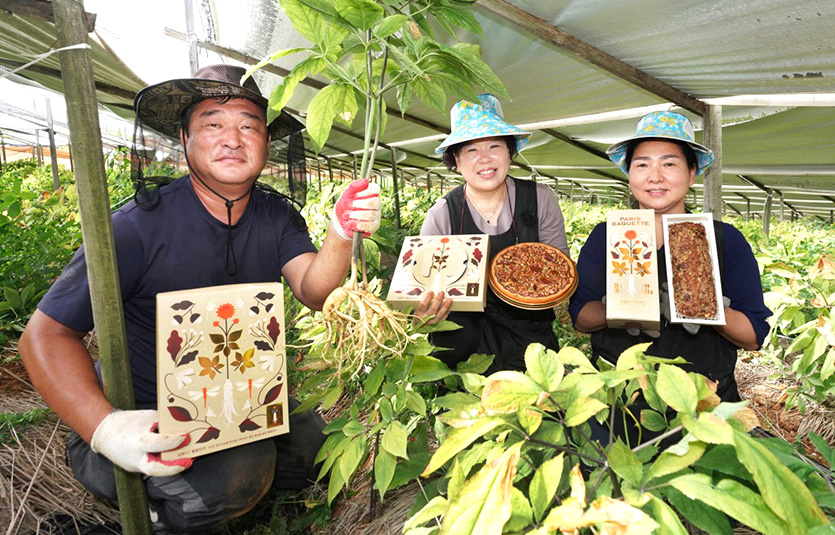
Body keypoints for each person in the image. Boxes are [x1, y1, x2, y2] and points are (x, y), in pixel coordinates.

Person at [18, 64, 381, 533]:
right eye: (213, 124)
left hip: (241, 402)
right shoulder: (135, 227)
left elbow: (314, 291)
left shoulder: (275, 215)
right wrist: (106, 428)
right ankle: (159, 517)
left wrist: (341, 231)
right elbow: (43, 335)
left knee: (318, 446)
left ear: (267, 145)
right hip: (149, 418)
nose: (233, 138)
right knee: (237, 477)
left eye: (249, 126)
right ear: (184, 138)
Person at [568, 111, 771, 443]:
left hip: (701, 397)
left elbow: (753, 335)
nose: (655, 176)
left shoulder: (723, 241)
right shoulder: (608, 236)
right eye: (643, 164)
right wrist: (620, 308)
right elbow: (580, 316)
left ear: (692, 173)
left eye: (670, 164)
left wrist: (708, 309)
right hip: (620, 395)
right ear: (629, 174)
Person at [416, 94, 569, 372]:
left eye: (495, 146)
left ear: (510, 152)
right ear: (456, 161)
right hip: (463, 339)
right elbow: (422, 288)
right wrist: (425, 310)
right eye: (471, 150)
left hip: (530, 337)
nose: (484, 158)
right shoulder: (442, 214)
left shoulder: (539, 199)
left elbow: (558, 271)